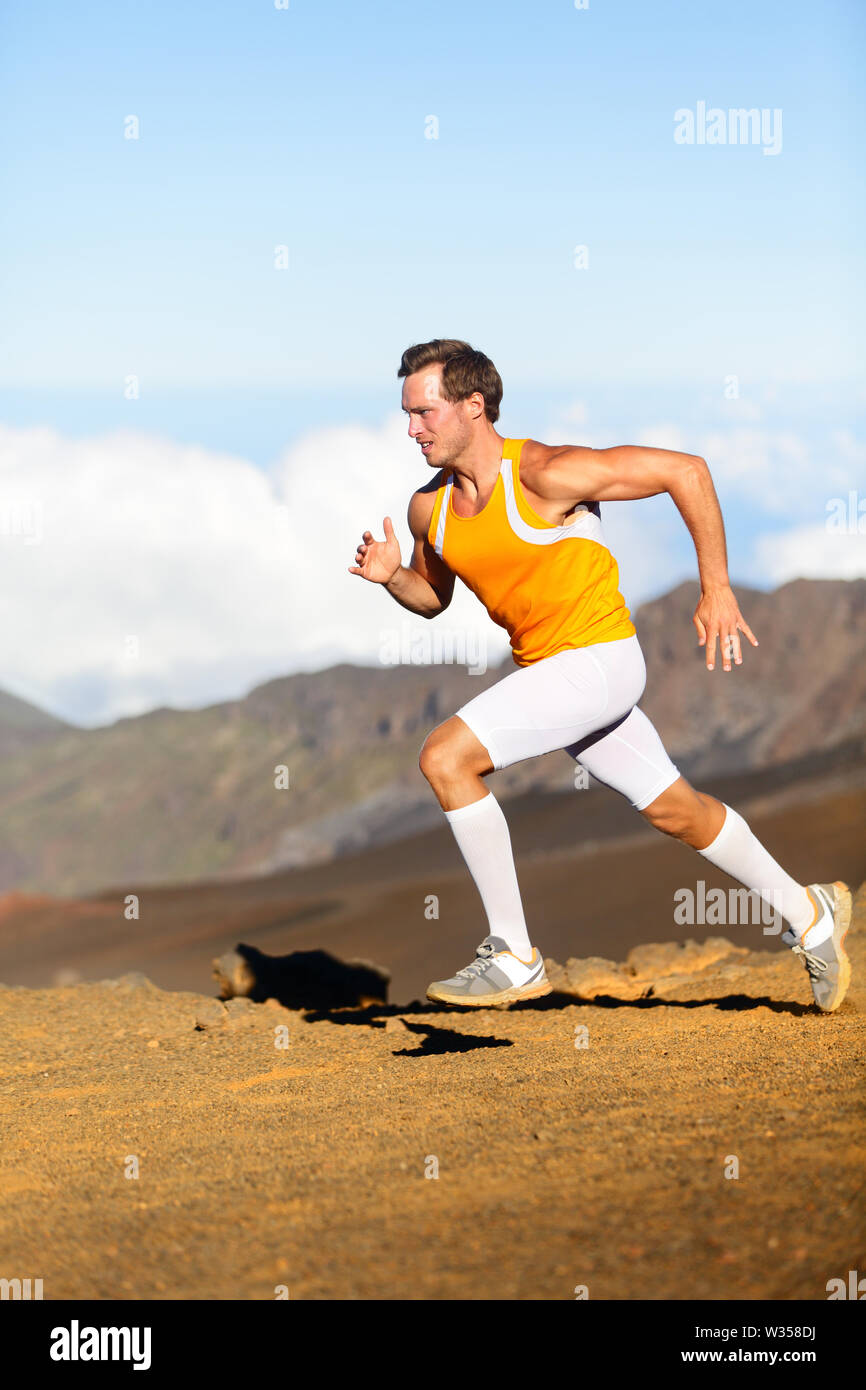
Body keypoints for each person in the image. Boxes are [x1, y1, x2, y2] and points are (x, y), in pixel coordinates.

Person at [349, 339, 851, 1012]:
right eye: (406, 414)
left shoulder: (548, 474)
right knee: (677, 811)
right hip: (555, 676)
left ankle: (515, 954)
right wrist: (393, 579)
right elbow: (433, 598)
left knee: (445, 758)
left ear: (474, 407)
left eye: (424, 413)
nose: (412, 429)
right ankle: (812, 915)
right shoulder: (427, 509)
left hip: (600, 661)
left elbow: (689, 472)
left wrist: (718, 588)